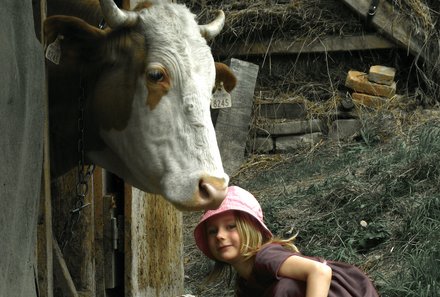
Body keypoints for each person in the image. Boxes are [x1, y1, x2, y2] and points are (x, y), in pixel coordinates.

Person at [193, 186, 380, 297]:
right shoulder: (245, 284)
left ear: (250, 229)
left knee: (285, 289)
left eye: (231, 226)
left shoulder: (266, 256)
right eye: (212, 231)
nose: (219, 235)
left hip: (350, 291)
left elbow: (320, 271)